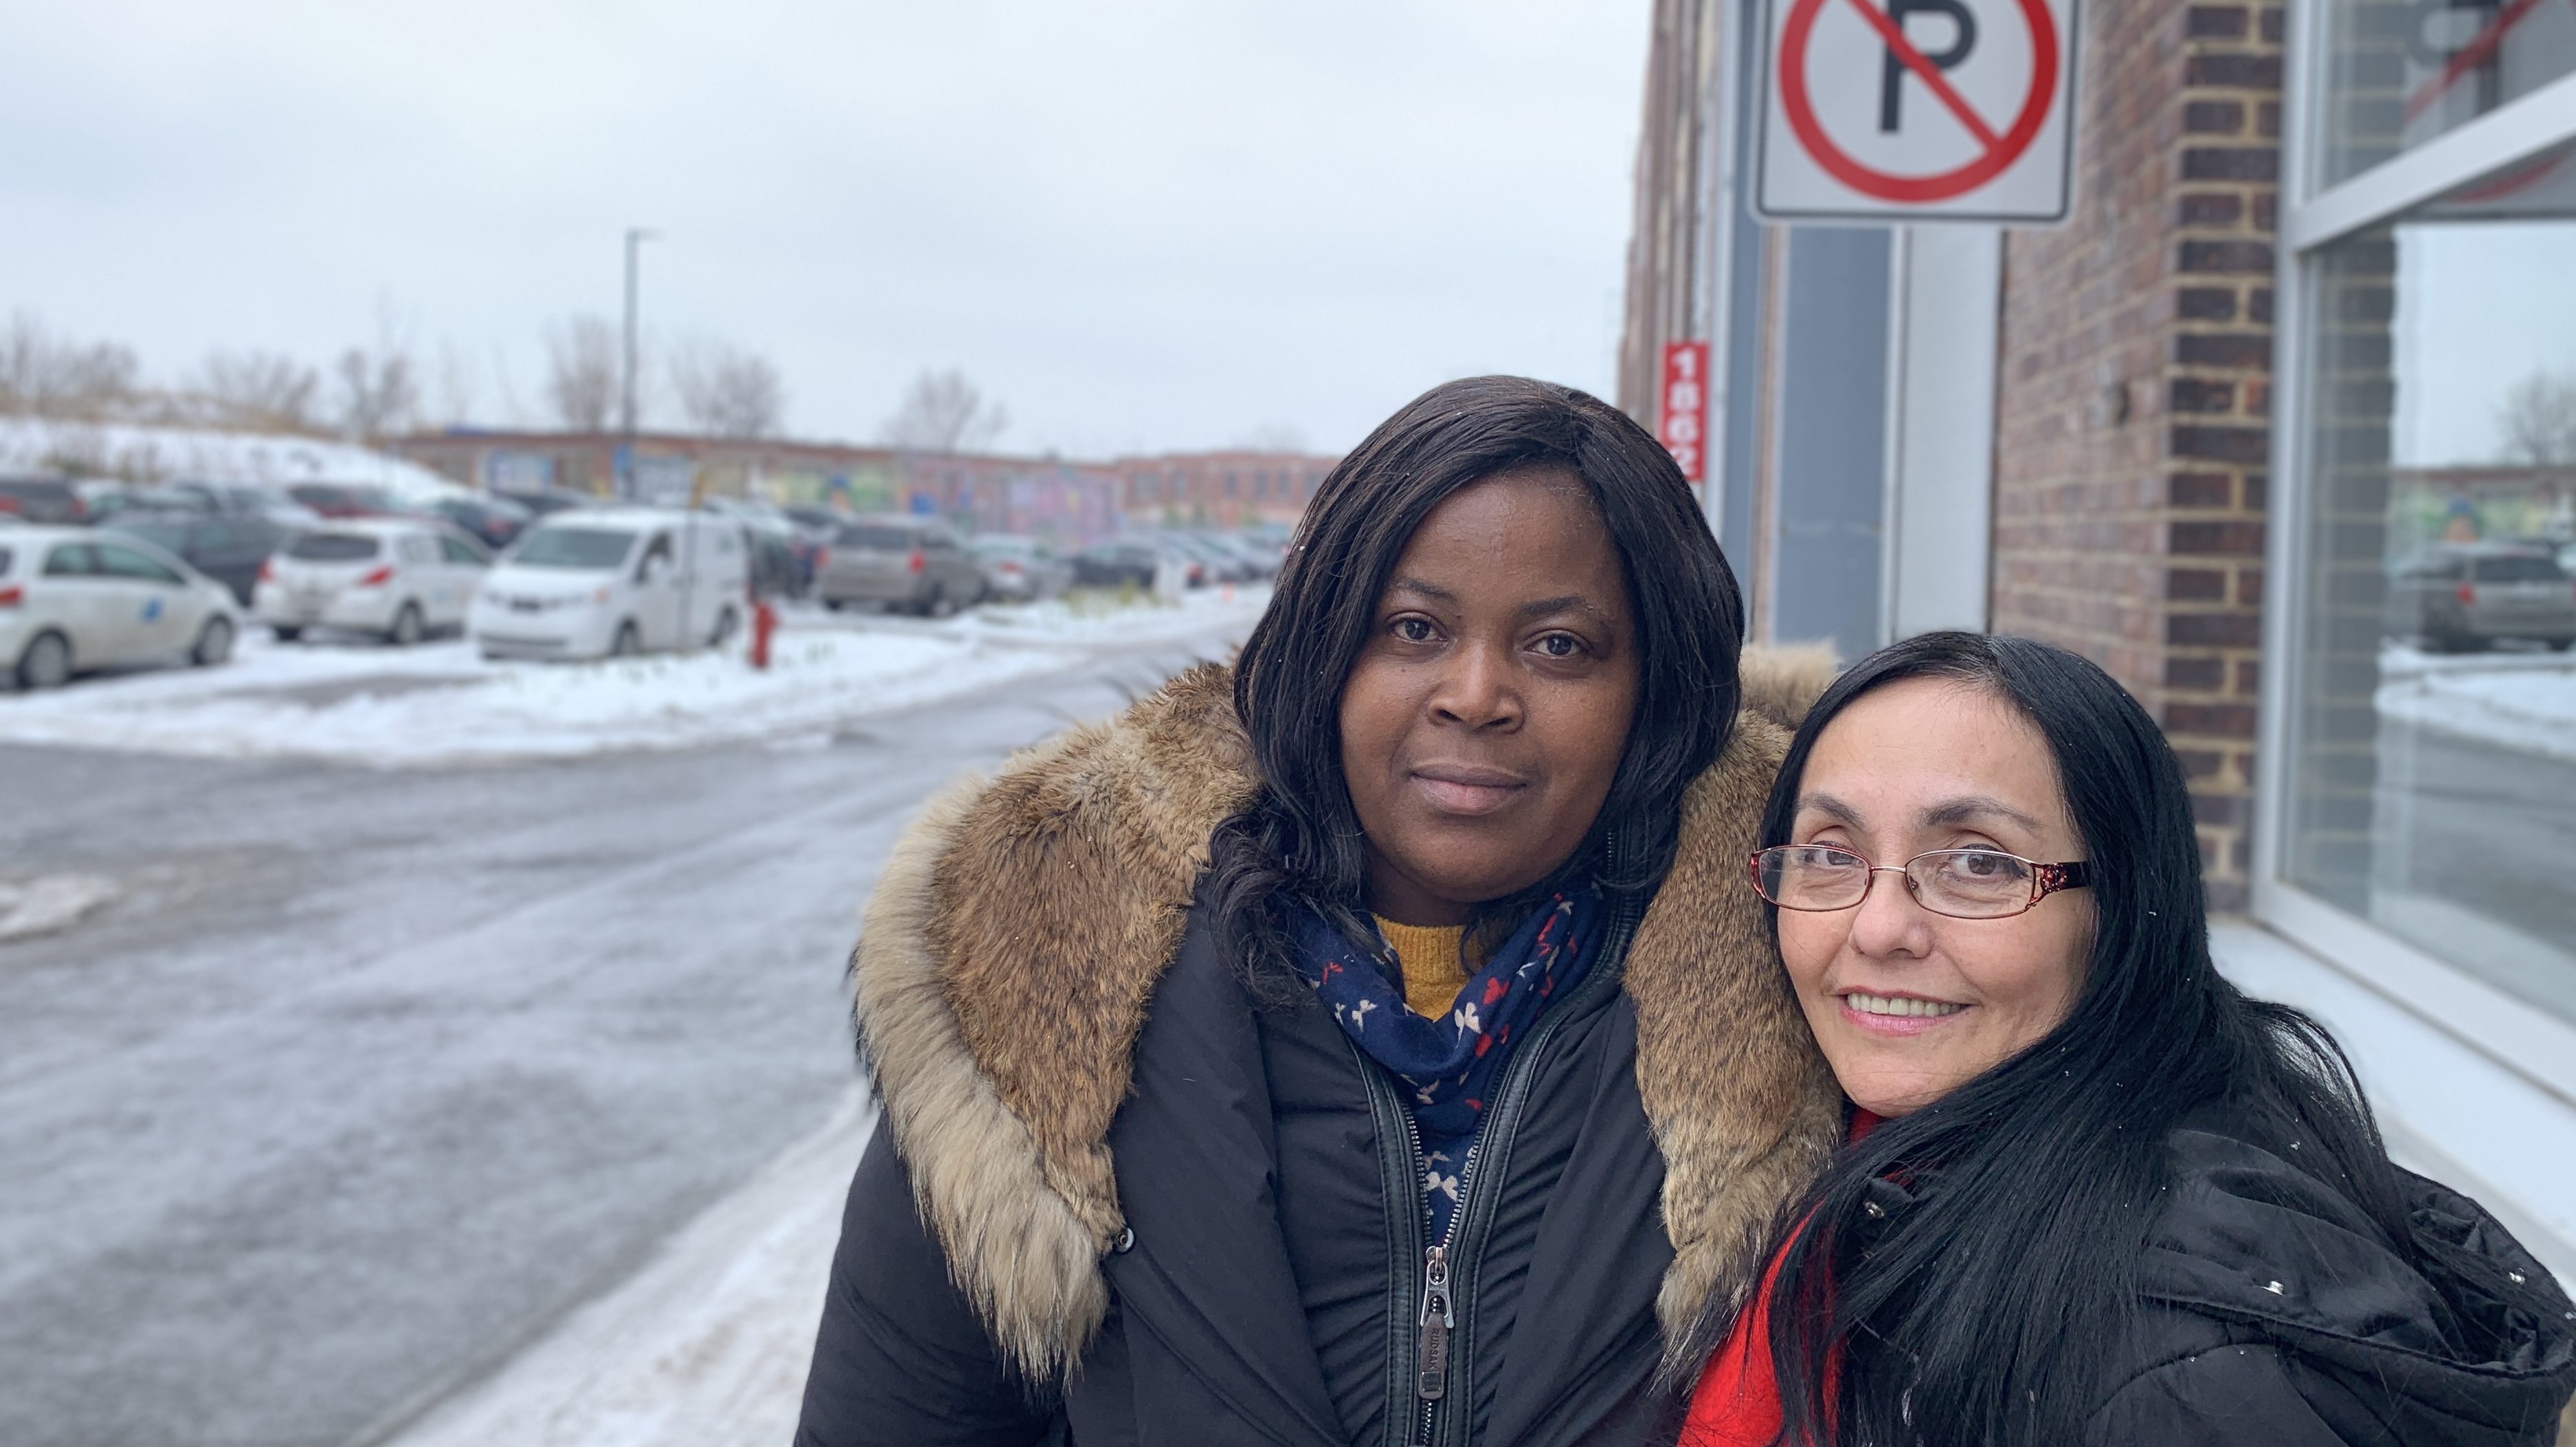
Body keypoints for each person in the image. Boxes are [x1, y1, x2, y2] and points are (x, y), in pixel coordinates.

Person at [794, 375, 1848, 1446]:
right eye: (1413, 627)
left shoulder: (1820, 982)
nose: (1476, 693)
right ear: (1326, 648)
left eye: (1559, 645)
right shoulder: (1045, 991)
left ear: (1654, 692)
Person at [1681, 631, 2576, 1447]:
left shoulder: (2187, 1375)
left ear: (2122, 909)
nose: (1876, 929)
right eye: (1830, 853)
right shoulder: (1891, 1165)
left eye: (1979, 863)